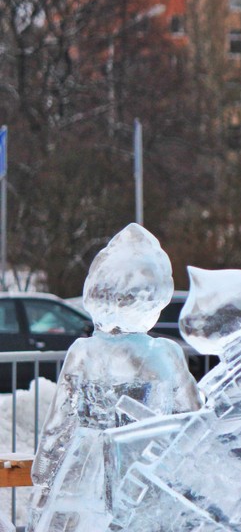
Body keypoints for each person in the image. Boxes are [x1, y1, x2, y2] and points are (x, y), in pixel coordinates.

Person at [29, 224, 200, 531]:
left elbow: (57, 430)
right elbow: (192, 420)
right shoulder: (166, 354)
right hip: (146, 473)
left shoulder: (84, 353)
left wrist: (42, 485)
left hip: (83, 472)